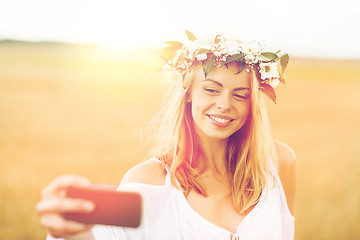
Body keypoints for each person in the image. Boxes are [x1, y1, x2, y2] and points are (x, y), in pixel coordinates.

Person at [36, 31, 296, 240]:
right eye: (211, 90)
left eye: (240, 95)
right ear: (188, 94)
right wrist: (71, 233)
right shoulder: (150, 180)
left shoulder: (279, 162)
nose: (225, 104)